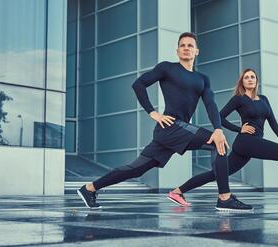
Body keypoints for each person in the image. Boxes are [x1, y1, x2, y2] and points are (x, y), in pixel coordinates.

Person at [77, 32, 252, 212]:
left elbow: (210, 104)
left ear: (196, 51)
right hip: (169, 127)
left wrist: (218, 128)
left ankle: (89, 189)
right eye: (182, 45)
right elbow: (139, 84)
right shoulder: (167, 68)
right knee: (216, 143)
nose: (186, 48)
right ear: (177, 51)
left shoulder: (202, 79)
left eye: (190, 45)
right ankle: (224, 197)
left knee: (136, 169)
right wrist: (153, 113)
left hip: (174, 131)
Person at [168, 68, 278, 208]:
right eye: (246, 77)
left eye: (252, 77)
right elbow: (219, 117)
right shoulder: (239, 99)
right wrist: (238, 128)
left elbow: (273, 122)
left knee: (217, 173)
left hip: (249, 145)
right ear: (242, 82)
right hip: (246, 142)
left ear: (256, 81)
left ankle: (177, 192)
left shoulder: (264, 99)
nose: (250, 79)